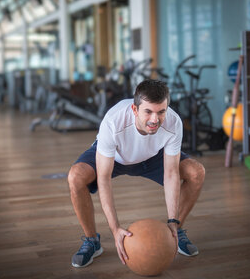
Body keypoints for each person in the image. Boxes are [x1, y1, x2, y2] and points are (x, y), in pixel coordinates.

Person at [67, 79, 206, 268]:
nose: (154, 119)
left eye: (161, 112)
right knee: (76, 177)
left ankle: (175, 232)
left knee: (196, 172)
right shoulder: (114, 121)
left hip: (152, 156)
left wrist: (173, 219)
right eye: (148, 111)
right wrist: (115, 228)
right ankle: (92, 241)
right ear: (134, 109)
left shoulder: (174, 122)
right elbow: (104, 178)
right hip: (115, 157)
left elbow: (171, 173)